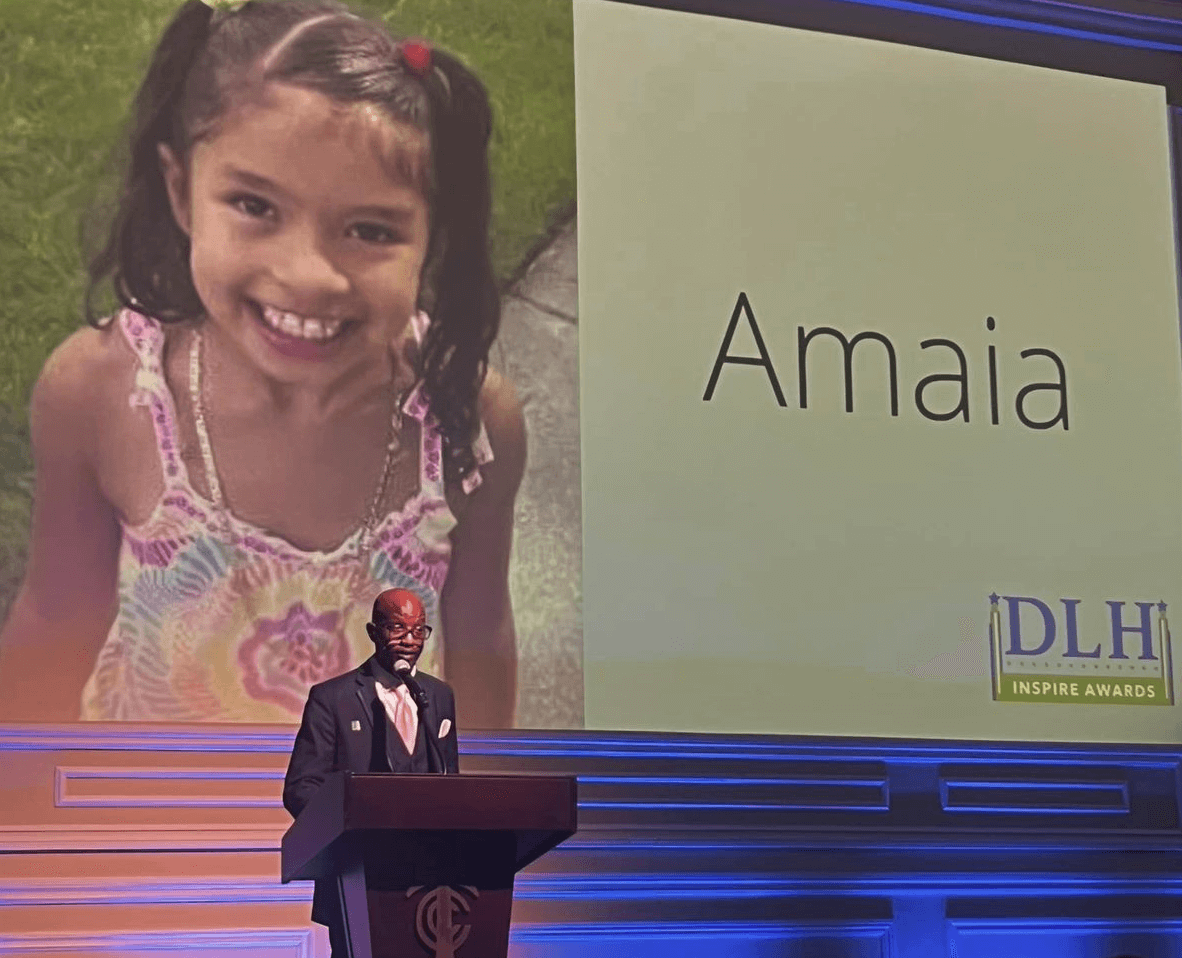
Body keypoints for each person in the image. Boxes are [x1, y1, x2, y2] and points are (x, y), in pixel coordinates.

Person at [0, 0, 524, 727]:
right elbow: (57, 618)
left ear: (432, 238)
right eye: (254, 205)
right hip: (153, 810)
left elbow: (480, 641)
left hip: (361, 814)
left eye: (370, 229)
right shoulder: (100, 393)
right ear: (181, 190)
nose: (308, 273)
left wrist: (470, 814)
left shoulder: (470, 426)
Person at [283, 586, 459, 955]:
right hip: (355, 876)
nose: (409, 640)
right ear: (373, 632)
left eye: (418, 630)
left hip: (427, 884)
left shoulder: (438, 696)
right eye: (398, 629)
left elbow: (449, 781)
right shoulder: (333, 697)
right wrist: (352, 825)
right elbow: (301, 787)